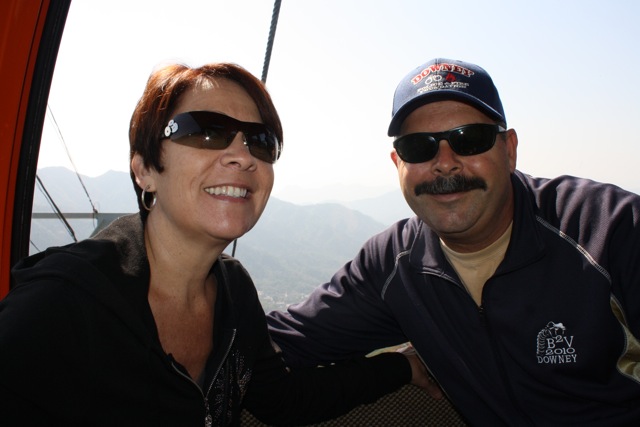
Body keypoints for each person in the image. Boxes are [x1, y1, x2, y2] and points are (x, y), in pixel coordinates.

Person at [0, 62, 433, 426]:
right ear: (145, 169)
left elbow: (281, 399)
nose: (242, 155)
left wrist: (401, 367)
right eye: (205, 132)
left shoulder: (232, 290)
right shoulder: (59, 306)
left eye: (260, 141)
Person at [267, 58, 640, 426]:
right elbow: (272, 348)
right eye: (419, 147)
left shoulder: (608, 229)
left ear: (508, 150)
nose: (445, 162)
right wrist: (395, 368)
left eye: (470, 140)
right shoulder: (394, 265)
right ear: (398, 163)